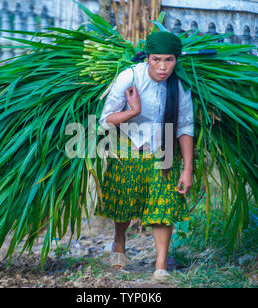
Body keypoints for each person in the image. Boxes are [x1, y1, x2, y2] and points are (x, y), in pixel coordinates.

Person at [95, 31, 194, 281]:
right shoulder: (130, 77)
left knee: (165, 204)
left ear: (176, 60)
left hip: (164, 149)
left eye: (169, 60)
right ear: (147, 58)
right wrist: (133, 111)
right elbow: (103, 122)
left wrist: (187, 169)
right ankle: (119, 243)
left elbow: (185, 127)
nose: (163, 67)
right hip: (129, 148)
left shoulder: (180, 85)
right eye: (157, 59)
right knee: (124, 202)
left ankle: (161, 264)